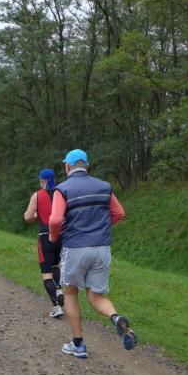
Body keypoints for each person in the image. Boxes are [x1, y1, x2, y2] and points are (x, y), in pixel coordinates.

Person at [48, 149, 137, 358]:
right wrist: (101, 227)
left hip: (76, 247)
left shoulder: (62, 189)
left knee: (70, 293)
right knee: (96, 296)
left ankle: (78, 344)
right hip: (101, 248)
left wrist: (53, 237)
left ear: (67, 166)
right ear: (87, 165)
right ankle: (115, 317)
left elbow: (55, 219)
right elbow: (119, 213)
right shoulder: (104, 187)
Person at [24, 168, 64, 319]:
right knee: (56, 265)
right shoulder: (62, 193)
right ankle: (59, 289)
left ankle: (56, 307)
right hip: (61, 235)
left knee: (46, 274)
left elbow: (28, 217)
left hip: (45, 236)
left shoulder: (37, 195)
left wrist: (35, 215)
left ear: (42, 180)